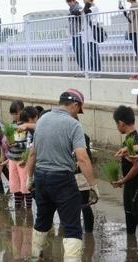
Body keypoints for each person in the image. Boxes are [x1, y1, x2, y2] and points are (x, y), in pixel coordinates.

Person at [27, 89, 98, 261]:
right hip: (62, 179)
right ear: (75, 105)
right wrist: (93, 185)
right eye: (78, 110)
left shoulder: (42, 120)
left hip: (41, 177)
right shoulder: (74, 125)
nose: (77, 114)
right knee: (72, 227)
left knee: (42, 222)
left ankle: (35, 256)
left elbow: (32, 154)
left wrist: (30, 178)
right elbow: (82, 158)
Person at [112, 105, 138, 235]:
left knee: (131, 225)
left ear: (121, 123)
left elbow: (136, 166)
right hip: (131, 188)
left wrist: (123, 180)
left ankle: (131, 252)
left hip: (134, 189)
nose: (117, 127)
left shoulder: (131, 141)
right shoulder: (132, 138)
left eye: (116, 124)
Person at [82, 0, 101, 73]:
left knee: (94, 52)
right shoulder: (87, 7)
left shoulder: (94, 8)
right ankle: (91, 70)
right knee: (88, 53)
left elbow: (87, 12)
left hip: (91, 33)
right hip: (85, 34)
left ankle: (97, 70)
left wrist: (87, 4)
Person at [67, 0, 84, 71]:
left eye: (70, 2)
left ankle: (85, 69)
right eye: (68, 3)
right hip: (73, 34)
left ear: (74, 1)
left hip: (79, 33)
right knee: (77, 53)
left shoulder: (79, 7)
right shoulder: (70, 9)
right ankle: (81, 69)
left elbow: (81, 17)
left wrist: (73, 14)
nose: (69, 4)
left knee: (80, 52)